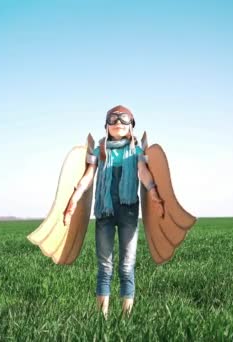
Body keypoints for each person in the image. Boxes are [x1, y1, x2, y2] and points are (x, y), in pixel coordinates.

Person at [63, 105, 164, 318]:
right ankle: (103, 318)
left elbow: (143, 173)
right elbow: (89, 176)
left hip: (128, 211)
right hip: (104, 212)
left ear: (131, 127)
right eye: (113, 118)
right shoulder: (100, 150)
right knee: (104, 267)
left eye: (124, 119)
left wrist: (153, 192)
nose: (118, 122)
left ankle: (126, 319)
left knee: (127, 266)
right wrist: (75, 196)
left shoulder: (136, 151)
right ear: (107, 125)